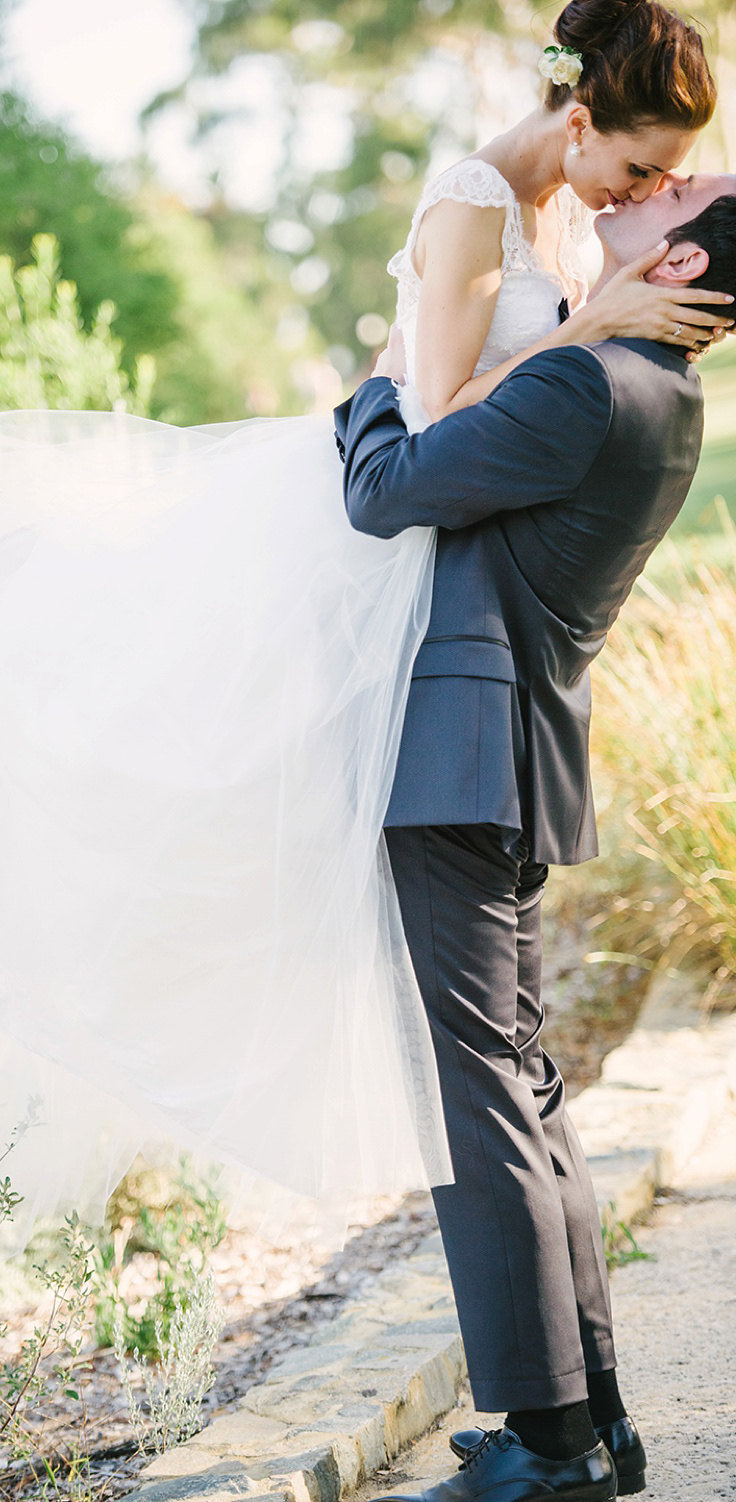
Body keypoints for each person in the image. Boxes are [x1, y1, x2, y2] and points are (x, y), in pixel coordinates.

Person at [0, 1, 726, 1234]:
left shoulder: (563, 226)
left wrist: (589, 318)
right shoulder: (475, 203)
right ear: (577, 120)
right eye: (640, 164)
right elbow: (423, 421)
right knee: (187, 774)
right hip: (362, 532)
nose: (651, 188)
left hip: (435, 586)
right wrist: (586, 329)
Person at [336, 150, 736, 1502]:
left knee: (480, 1099)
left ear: (677, 264)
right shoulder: (662, 390)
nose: (664, 180)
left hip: (458, 757)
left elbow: (387, 490)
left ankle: (547, 1445)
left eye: (683, 192)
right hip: (509, 758)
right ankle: (593, 1417)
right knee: (524, 1086)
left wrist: (377, 382)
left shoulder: (582, 380)